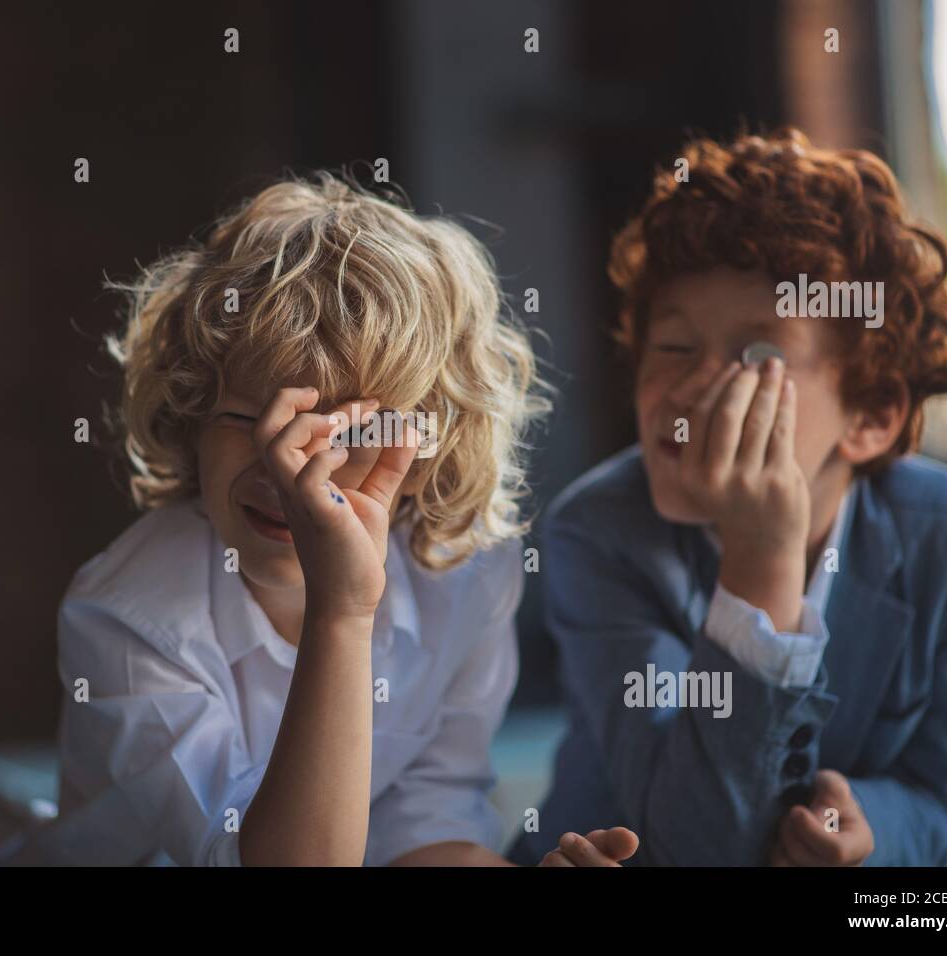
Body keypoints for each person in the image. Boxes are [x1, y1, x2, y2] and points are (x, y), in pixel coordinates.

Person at [52, 172, 637, 867]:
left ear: (426, 452)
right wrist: (343, 611)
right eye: (254, 420)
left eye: (345, 434)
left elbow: (421, 824)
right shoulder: (130, 615)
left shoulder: (464, 569)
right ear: (191, 418)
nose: (289, 470)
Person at [514, 128, 947, 866]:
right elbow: (695, 841)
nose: (692, 386)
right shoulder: (597, 531)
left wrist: (871, 827)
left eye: (760, 357)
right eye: (674, 348)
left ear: (871, 416)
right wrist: (761, 562)